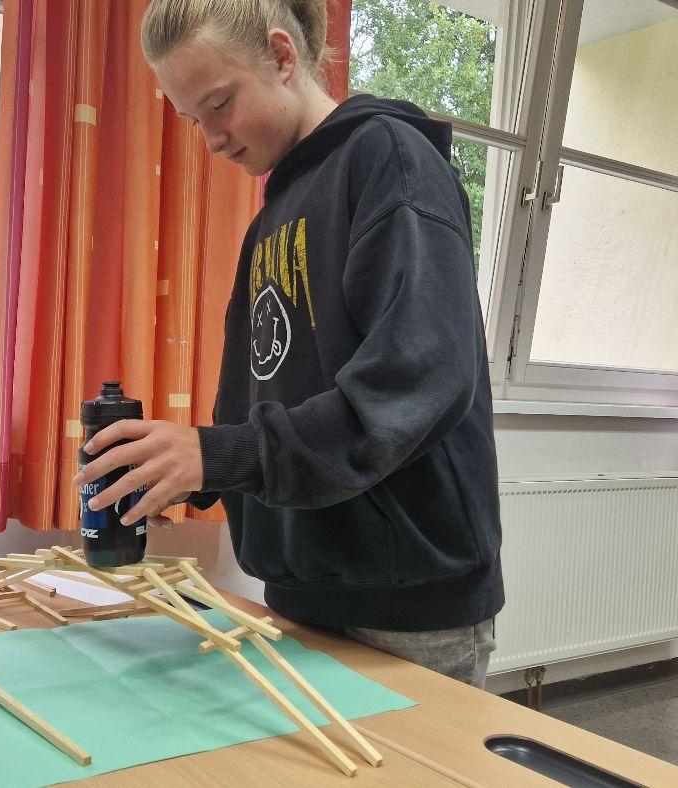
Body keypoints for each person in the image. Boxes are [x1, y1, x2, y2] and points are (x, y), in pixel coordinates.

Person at [73, 0, 503, 688]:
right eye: (193, 120)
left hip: (406, 599)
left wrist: (222, 454)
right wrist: (189, 464)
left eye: (219, 105)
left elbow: (417, 378)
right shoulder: (273, 212)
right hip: (302, 584)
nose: (212, 139)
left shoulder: (390, 158)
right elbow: (266, 398)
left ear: (280, 56)